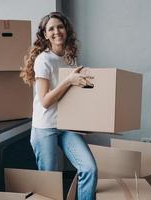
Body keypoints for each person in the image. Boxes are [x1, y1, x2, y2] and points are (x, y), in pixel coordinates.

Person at [20, 12, 97, 200]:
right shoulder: (43, 60)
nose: (57, 32)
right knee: (50, 183)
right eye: (51, 29)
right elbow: (45, 101)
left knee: (89, 168)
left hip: (66, 126)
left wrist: (85, 123)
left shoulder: (70, 59)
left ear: (66, 30)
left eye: (60, 27)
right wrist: (69, 80)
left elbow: (72, 97)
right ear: (45, 35)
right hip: (45, 127)